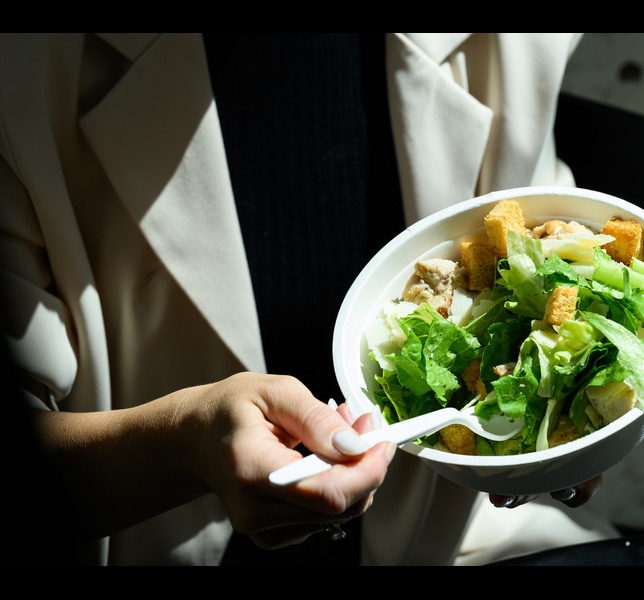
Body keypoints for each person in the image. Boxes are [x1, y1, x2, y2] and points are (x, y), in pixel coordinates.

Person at [1, 33, 604, 566]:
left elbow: (550, 238)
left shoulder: (517, 41)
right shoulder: (24, 72)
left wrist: (574, 401)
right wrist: (182, 445)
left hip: (461, 534)